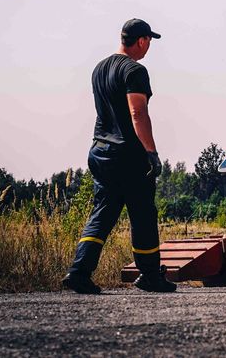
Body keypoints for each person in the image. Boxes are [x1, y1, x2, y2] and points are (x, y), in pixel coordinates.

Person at [61, 19, 176, 294]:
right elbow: (138, 113)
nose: (149, 47)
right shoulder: (135, 70)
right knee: (143, 213)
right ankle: (150, 275)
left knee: (103, 212)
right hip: (128, 154)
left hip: (100, 151)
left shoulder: (99, 69)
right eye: (149, 41)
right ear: (141, 40)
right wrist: (151, 152)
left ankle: (79, 272)